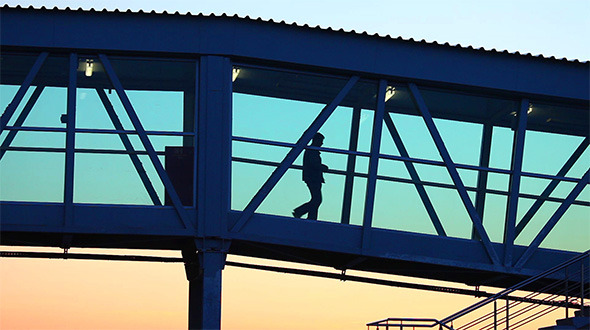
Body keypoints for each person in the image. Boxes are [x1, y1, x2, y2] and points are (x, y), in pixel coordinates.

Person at [293, 133, 328, 220]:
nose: (321, 144)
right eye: (320, 141)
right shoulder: (312, 151)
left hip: (312, 177)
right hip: (313, 177)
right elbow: (314, 164)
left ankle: (310, 216)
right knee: (317, 199)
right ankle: (301, 212)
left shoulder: (311, 151)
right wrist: (323, 167)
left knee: (316, 199)